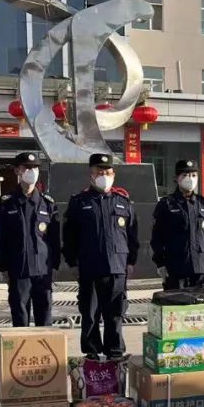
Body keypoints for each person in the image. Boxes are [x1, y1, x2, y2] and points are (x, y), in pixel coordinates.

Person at [63, 152, 139, 359]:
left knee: (115, 313)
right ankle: (92, 352)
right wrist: (72, 263)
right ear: (91, 174)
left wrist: (131, 261)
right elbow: (69, 237)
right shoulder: (79, 202)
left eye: (107, 172)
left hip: (116, 267)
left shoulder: (123, 202)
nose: (103, 176)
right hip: (89, 267)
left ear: (113, 174)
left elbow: (132, 235)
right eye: (99, 172)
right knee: (90, 314)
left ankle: (115, 352)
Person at [0, 152, 61, 327]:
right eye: (27, 167)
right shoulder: (7, 202)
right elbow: (0, 238)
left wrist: (55, 265)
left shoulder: (48, 203)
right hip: (19, 269)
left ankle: (44, 346)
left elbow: (54, 238)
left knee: (44, 317)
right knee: (20, 318)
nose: (31, 171)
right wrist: (3, 267)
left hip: (42, 270)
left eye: (35, 168)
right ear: (17, 171)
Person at [150, 160, 204, 290]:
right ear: (177, 178)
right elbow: (157, 238)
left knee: (201, 303)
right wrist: (160, 263)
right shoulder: (166, 204)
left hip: (201, 270)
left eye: (193, 175)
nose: (190, 179)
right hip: (176, 269)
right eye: (185, 175)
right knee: (175, 303)